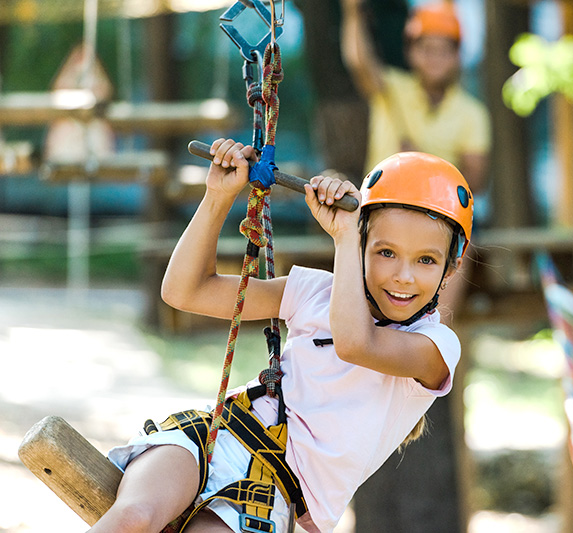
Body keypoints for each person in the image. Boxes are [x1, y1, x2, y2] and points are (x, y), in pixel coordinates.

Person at [89, 138, 474, 533]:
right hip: (221, 434)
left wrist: (345, 238)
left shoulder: (437, 347)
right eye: (385, 252)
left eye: (426, 260)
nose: (403, 276)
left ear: (452, 264)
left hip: (278, 491)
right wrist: (218, 197)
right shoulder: (313, 292)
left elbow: (356, 343)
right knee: (133, 517)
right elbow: (186, 291)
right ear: (364, 246)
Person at [340, 0, 490, 323]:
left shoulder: (471, 112)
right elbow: (359, 61)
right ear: (412, 53)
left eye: (443, 50)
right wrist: (353, 12)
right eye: (427, 48)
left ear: (456, 57)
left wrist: (425, 168)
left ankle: (432, 338)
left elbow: (476, 180)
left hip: (437, 218)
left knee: (462, 248)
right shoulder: (392, 91)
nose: (435, 57)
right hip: (381, 211)